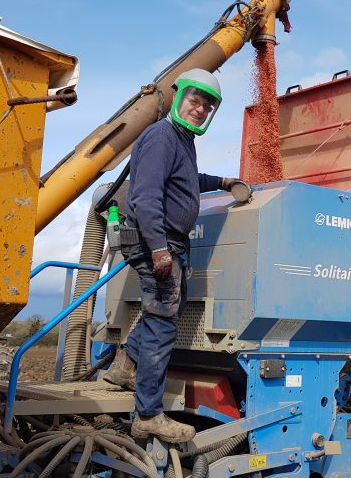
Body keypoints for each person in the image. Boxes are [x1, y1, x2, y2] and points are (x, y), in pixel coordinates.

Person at [104, 68, 239, 443]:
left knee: (166, 313)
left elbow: (186, 179)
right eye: (196, 100)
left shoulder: (182, 141)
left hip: (167, 243)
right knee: (163, 323)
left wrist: (222, 183)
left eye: (208, 106)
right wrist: (160, 248)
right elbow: (146, 197)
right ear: (179, 96)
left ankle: (125, 365)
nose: (200, 109)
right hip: (156, 243)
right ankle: (148, 415)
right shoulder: (162, 136)